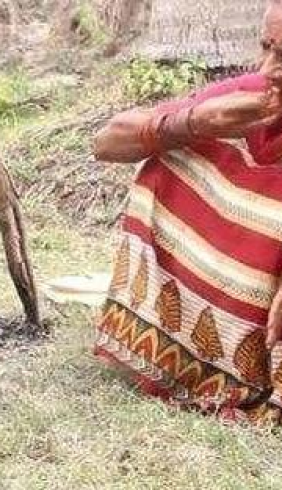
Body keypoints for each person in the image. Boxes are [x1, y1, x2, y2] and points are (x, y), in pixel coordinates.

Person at [92, 0, 282, 423]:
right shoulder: (253, 96)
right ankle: (192, 365)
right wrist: (193, 122)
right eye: (266, 48)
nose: (268, 68)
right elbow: (106, 142)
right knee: (175, 151)